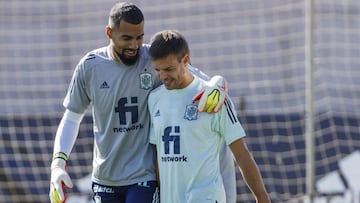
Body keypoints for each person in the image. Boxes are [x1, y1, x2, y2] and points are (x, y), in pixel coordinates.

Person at [49, 2, 235, 203]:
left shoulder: (152, 59)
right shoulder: (89, 66)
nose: (134, 45)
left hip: (143, 178)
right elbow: (71, 118)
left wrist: (218, 83)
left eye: (139, 37)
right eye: (126, 38)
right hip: (104, 179)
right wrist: (58, 164)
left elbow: (200, 80)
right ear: (109, 33)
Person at [148, 30, 271, 203]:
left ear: (185, 60)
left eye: (169, 69)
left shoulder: (214, 97)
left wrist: (261, 196)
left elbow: (241, 153)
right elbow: (157, 155)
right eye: (158, 70)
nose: (163, 77)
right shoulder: (154, 99)